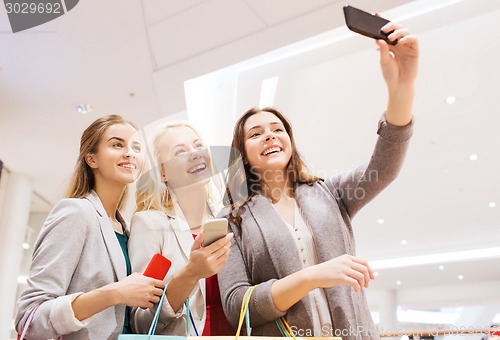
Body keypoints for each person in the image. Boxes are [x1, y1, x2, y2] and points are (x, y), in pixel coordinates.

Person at [218, 21, 419, 340]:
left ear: (290, 142)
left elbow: (385, 166)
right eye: (256, 134)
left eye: (277, 129)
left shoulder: (329, 192)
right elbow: (237, 308)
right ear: (242, 153)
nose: (269, 134)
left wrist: (402, 86)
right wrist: (313, 276)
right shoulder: (232, 219)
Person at [15, 115, 165, 339]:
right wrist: (113, 294)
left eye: (136, 147)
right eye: (117, 144)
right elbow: (29, 317)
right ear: (91, 159)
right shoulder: (75, 213)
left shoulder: (125, 229)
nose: (130, 153)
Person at [128, 121, 233, 335]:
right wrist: (190, 274)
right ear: (163, 173)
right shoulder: (149, 225)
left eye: (198, 146)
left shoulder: (231, 217)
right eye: (180, 152)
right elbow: (142, 321)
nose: (195, 154)